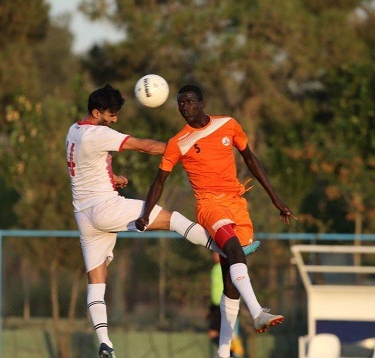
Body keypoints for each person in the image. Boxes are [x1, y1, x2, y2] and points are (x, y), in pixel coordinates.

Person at [65, 84, 259, 358]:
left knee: (96, 282)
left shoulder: (74, 131)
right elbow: (143, 146)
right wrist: (179, 148)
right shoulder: (97, 134)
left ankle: (105, 343)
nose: (115, 120)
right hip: (106, 208)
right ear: (96, 112)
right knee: (174, 219)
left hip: (84, 214)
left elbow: (85, 169)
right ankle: (224, 248)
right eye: (111, 115)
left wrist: (113, 179)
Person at [136, 84, 297, 358]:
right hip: (209, 205)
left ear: (202, 102)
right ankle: (258, 312)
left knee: (230, 280)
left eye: (189, 102)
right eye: (180, 104)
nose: (184, 108)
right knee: (235, 253)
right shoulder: (179, 142)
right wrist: (146, 213)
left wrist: (276, 199)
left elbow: (251, 159)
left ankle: (223, 354)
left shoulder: (228, 124)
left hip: (236, 203)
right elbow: (159, 181)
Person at [208, 252, 245, 358]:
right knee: (219, 333)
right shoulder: (215, 269)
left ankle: (231, 351)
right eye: (214, 253)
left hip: (224, 304)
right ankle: (231, 350)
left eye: (217, 253)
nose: (215, 255)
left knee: (215, 333)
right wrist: (211, 308)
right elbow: (214, 290)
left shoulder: (226, 268)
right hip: (216, 306)